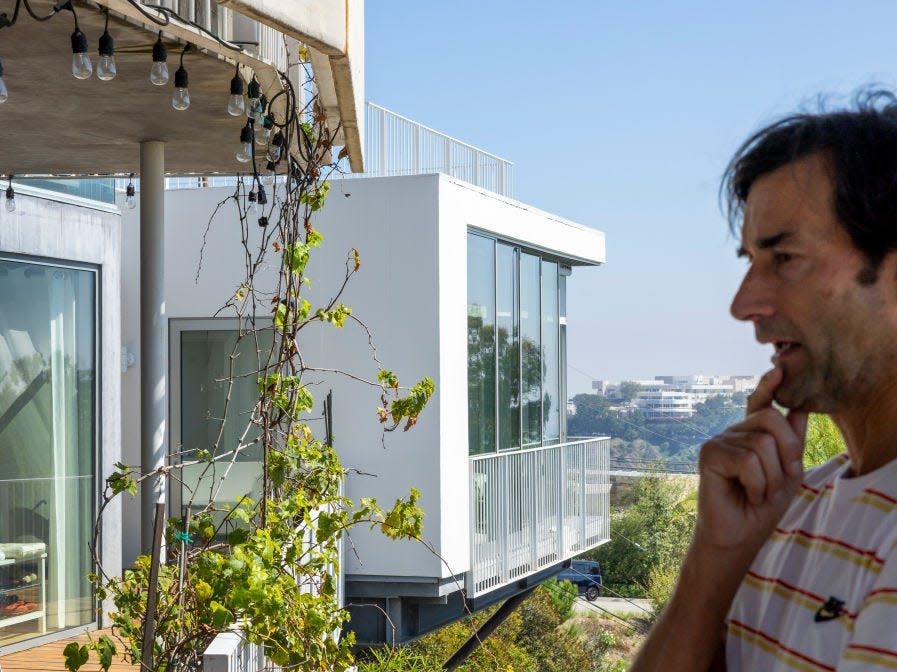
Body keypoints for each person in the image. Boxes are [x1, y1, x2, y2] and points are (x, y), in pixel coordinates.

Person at [631, 91, 897, 671]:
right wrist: (715, 557)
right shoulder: (789, 505)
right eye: (749, 261)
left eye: (784, 258)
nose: (744, 303)